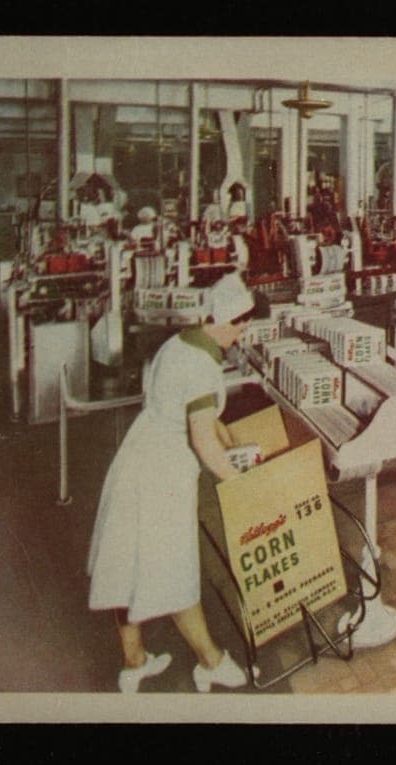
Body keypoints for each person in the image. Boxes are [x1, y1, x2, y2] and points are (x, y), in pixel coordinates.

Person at [87, 272, 258, 693]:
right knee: (174, 574)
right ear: (226, 321)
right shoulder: (203, 366)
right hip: (164, 473)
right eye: (240, 327)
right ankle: (211, 663)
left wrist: (231, 438)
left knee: (124, 564)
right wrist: (240, 483)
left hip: (136, 456)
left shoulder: (179, 344)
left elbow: (199, 416)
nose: (240, 336)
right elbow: (202, 440)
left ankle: (134, 662)